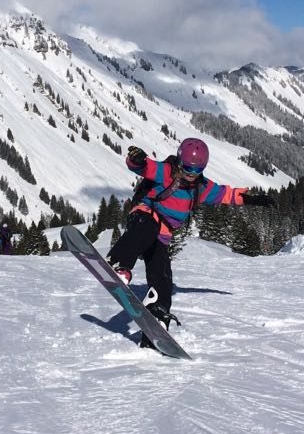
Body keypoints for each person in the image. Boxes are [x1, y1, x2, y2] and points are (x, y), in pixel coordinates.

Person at [106, 138, 275, 349]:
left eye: (196, 170)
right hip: (144, 215)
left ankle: (157, 316)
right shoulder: (166, 172)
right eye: (187, 168)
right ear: (179, 161)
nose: (190, 174)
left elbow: (226, 194)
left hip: (163, 233)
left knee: (163, 275)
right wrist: (136, 159)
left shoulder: (201, 187)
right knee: (146, 228)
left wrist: (251, 199)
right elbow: (144, 167)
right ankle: (118, 264)